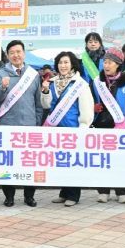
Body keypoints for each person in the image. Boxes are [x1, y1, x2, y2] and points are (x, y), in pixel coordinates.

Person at [0, 40, 42, 207]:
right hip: (8, 126)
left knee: (29, 163)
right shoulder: (1, 74)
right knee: (8, 163)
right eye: (12, 52)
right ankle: (9, 196)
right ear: (7, 55)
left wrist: (36, 123)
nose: (16, 55)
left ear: (24, 53)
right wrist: (3, 87)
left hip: (29, 126)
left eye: (18, 52)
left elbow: (38, 104)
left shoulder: (33, 75)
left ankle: (29, 196)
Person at [40, 51, 94, 207]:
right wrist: (45, 91)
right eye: (60, 62)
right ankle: (63, 193)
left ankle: (73, 195)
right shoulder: (52, 82)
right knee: (61, 163)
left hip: (73, 130)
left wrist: (83, 127)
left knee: (73, 164)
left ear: (72, 65)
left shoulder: (80, 84)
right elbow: (46, 105)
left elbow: (86, 108)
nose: (62, 66)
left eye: (66, 62)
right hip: (56, 130)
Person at [92, 47, 125, 204]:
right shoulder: (97, 82)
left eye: (110, 62)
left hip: (121, 126)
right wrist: (93, 108)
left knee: (121, 161)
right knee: (102, 160)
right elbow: (90, 100)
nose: (106, 65)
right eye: (105, 62)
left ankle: (121, 191)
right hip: (101, 126)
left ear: (118, 64)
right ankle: (103, 191)